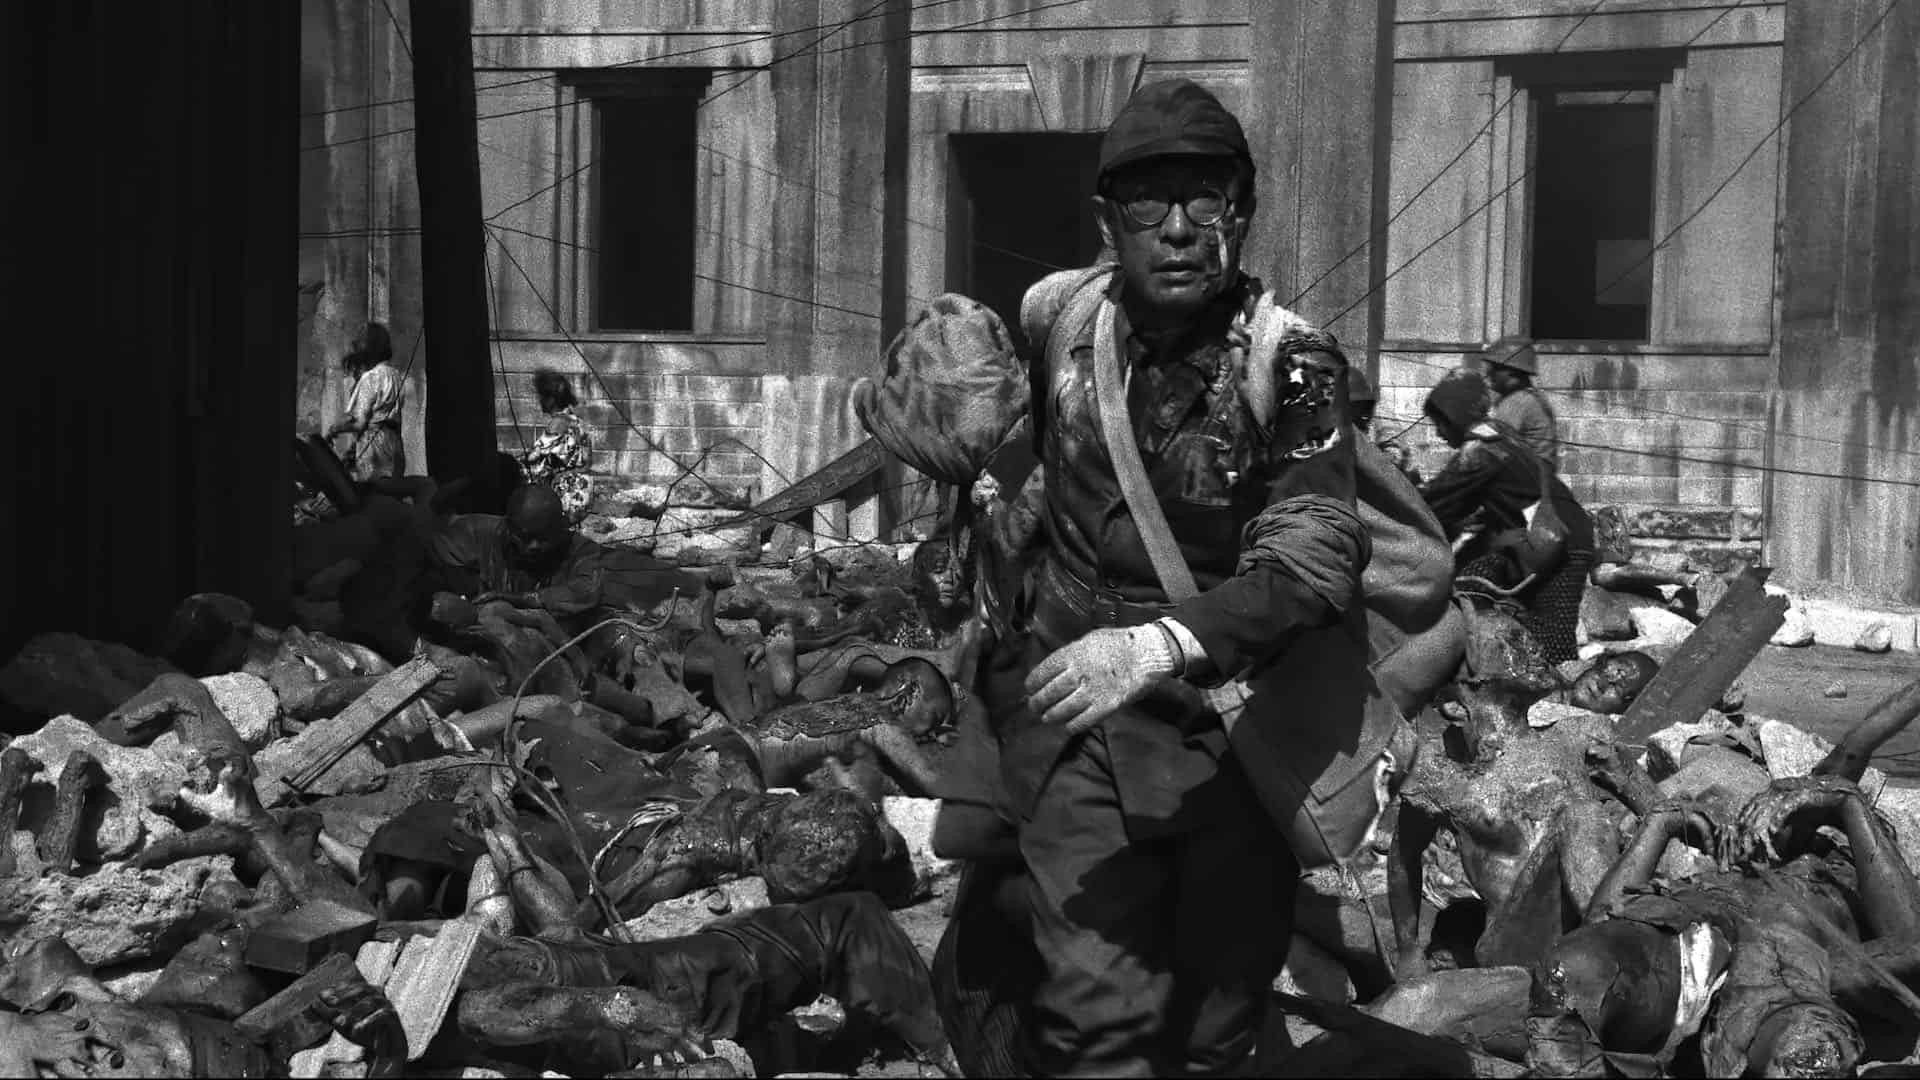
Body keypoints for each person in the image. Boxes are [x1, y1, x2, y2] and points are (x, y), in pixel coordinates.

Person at [931, 79, 1394, 1078]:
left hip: (1231, 740)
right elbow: (1034, 474)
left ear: (1242, 213)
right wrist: (963, 494)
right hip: (1071, 720)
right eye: (1148, 202)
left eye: (1206, 198)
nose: (1178, 230)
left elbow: (1316, 553)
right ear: (1109, 222)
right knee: (1095, 1016)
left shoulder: (1295, 364)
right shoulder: (1063, 321)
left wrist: (1159, 645)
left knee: (1214, 1026)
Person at [1421, 366, 1594, 663]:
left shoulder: (1480, 450)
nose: (1438, 433)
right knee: (1473, 580)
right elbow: (1461, 504)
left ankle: (1560, 685)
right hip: (1554, 533)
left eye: (1439, 423)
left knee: (1552, 636)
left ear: (1454, 416)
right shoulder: (1500, 433)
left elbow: (1436, 502)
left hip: (1557, 539)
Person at [325, 322, 407, 483]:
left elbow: (359, 423)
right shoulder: (395, 375)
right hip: (395, 445)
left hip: (374, 449)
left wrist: (334, 429)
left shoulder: (370, 378)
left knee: (373, 492)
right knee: (393, 490)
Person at [522, 368, 594, 524]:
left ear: (551, 399)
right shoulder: (576, 421)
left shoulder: (558, 424)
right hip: (583, 493)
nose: (539, 401)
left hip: (567, 498)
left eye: (541, 396)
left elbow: (534, 462)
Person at [1482, 335, 1559, 468]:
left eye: (1495, 368)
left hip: (1529, 475)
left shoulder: (1517, 401)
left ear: (1512, 372)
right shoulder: (1531, 397)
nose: (1489, 374)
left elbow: (1493, 444)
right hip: (1538, 473)